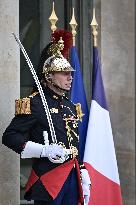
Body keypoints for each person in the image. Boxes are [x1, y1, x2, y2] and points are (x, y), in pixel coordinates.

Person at [2, 29, 91, 205]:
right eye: (64, 73)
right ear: (49, 76)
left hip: (73, 176)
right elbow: (10, 137)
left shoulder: (70, 106)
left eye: (71, 73)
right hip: (48, 178)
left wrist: (81, 170)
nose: (70, 77)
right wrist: (43, 150)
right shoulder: (34, 103)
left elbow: (72, 142)